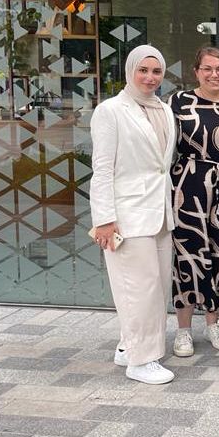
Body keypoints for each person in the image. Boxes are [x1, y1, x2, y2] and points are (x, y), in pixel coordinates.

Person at [90, 45, 177, 384]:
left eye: (156, 72)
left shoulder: (164, 110)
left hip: (159, 213)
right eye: (143, 70)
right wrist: (104, 219)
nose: (150, 77)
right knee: (137, 288)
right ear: (129, 72)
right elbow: (102, 169)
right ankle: (141, 361)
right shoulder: (111, 111)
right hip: (126, 214)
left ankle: (129, 346)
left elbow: (161, 168)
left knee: (156, 287)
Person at [168, 46, 219, 357]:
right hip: (189, 183)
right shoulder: (178, 102)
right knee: (187, 253)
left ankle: (213, 322)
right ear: (196, 71)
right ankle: (183, 330)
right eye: (207, 68)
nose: (214, 74)